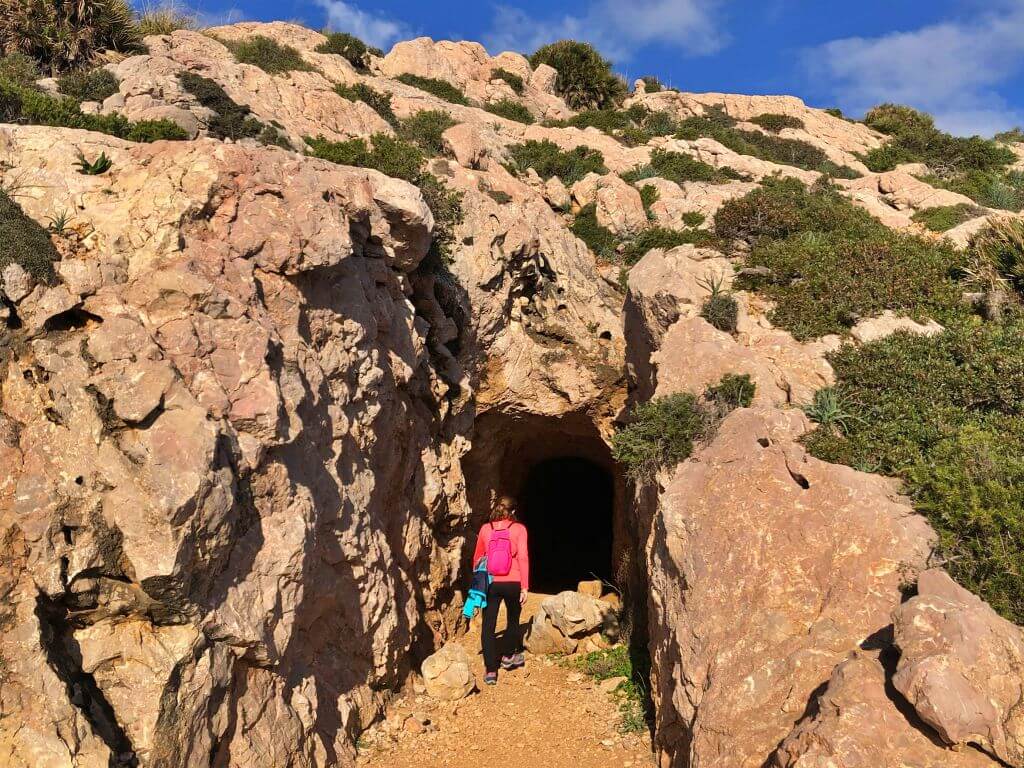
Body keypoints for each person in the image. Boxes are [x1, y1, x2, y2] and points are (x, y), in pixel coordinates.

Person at [471, 494, 529, 685]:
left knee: (489, 624)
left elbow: (478, 558)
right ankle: (507, 656)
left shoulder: (485, 529)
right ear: (513, 511)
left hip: (491, 582)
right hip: (513, 581)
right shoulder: (519, 529)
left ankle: (490, 671)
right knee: (513, 619)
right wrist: (525, 586)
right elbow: (523, 558)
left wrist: (477, 584)